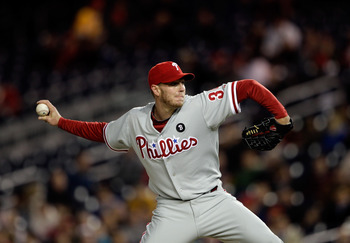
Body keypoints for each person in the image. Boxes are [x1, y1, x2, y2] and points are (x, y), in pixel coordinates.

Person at [37, 61, 292, 243]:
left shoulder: (201, 105)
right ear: (156, 90)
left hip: (214, 202)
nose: (181, 87)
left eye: (182, 81)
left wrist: (282, 119)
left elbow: (248, 86)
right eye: (173, 83)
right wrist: (61, 122)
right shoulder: (134, 121)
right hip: (172, 212)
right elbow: (102, 131)